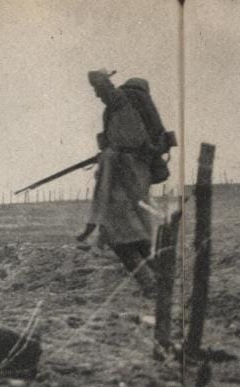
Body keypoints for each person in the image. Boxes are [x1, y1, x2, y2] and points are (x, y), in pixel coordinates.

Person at [80, 69, 161, 298]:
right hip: (134, 177)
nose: (97, 95)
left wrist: (97, 77)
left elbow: (108, 91)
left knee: (121, 238)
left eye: (97, 90)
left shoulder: (122, 102)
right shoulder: (128, 114)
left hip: (123, 179)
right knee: (138, 236)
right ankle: (163, 281)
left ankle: (151, 285)